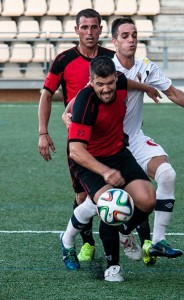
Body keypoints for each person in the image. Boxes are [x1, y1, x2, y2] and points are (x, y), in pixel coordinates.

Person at [62, 17, 184, 265]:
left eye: (134, 35)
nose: (131, 40)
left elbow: (171, 91)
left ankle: (156, 241)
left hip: (132, 140)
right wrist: (66, 114)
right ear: (114, 41)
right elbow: (82, 98)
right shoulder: (105, 68)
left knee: (166, 175)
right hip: (103, 146)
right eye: (125, 36)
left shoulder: (145, 66)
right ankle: (74, 241)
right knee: (95, 203)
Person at [38, 9, 159, 262]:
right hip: (82, 141)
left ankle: (131, 236)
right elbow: (48, 94)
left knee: (116, 200)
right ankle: (84, 243)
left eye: (94, 27)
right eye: (85, 28)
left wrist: (148, 87)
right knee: (86, 197)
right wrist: (45, 130)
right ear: (77, 30)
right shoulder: (64, 61)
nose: (90, 32)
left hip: (114, 145)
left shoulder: (109, 59)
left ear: (101, 30)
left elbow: (125, 80)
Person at [60, 56, 156, 282]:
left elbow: (128, 83)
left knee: (148, 199)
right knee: (109, 204)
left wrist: (147, 88)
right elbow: (76, 152)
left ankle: (125, 232)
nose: (106, 89)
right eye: (100, 84)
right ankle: (112, 266)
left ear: (115, 78)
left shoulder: (120, 81)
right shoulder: (85, 102)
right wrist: (104, 171)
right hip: (88, 160)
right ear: (91, 81)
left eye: (110, 83)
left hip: (118, 154)